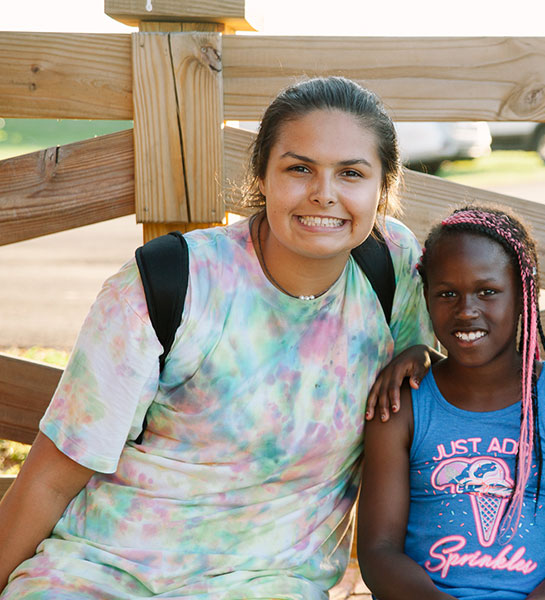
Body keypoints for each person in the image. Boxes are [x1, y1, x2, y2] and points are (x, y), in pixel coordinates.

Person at [0, 76, 437, 599]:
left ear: (382, 188)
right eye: (299, 168)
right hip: (100, 570)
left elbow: (477, 388)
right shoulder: (170, 281)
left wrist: (426, 353)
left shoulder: (394, 270)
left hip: (267, 582)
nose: (324, 192)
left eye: (351, 173)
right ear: (262, 176)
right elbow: (50, 475)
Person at [357, 206, 545, 600]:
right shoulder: (403, 404)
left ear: (524, 295)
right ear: (425, 296)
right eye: (447, 293)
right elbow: (377, 553)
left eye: (488, 292)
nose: (466, 310)